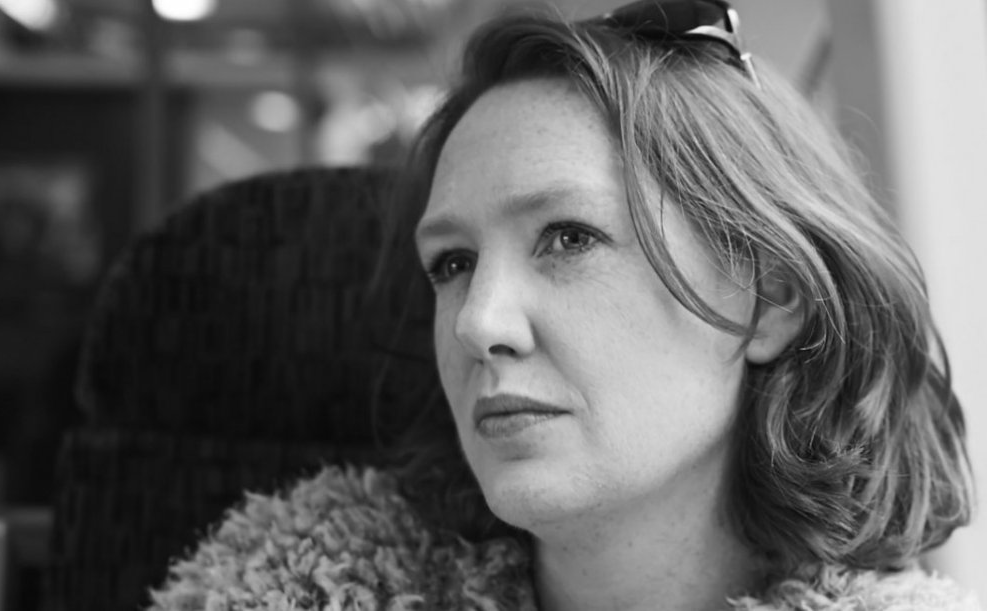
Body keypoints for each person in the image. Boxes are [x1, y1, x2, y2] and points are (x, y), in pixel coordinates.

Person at [148, 1, 979, 609]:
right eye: (452, 263)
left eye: (569, 237)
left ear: (769, 299)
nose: (477, 321)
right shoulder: (291, 585)